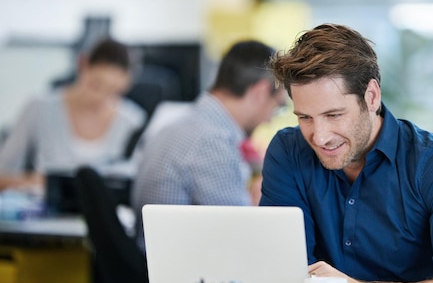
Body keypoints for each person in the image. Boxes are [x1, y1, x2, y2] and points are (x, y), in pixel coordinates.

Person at [260, 24, 433, 283]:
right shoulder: (288, 153)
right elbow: (285, 275)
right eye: (305, 118)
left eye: (333, 115)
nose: (319, 136)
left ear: (371, 96)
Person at [131, 40, 286, 252]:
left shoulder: (184, 124)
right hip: (181, 272)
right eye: (277, 106)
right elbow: (242, 235)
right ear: (260, 92)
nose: (270, 119)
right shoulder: (212, 141)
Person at [0, 38, 145, 191]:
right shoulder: (38, 107)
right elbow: (3, 175)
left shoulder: (133, 121)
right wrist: (40, 182)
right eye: (96, 84)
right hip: (46, 209)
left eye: (112, 90)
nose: (100, 97)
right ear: (83, 64)